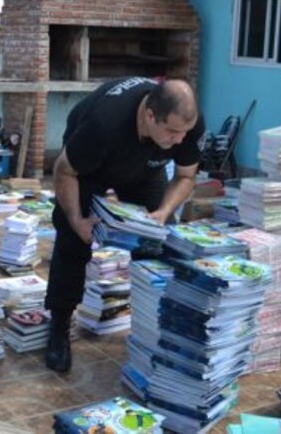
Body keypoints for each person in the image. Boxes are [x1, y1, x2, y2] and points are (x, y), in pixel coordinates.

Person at [44, 77, 205, 372]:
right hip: (90, 168)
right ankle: (59, 326)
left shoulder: (186, 126)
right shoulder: (102, 125)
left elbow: (185, 177)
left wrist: (164, 212)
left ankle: (155, 326)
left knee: (158, 241)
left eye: (184, 133)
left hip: (146, 169)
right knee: (73, 238)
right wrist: (77, 219)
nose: (179, 140)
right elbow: (64, 170)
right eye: (171, 132)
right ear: (149, 116)